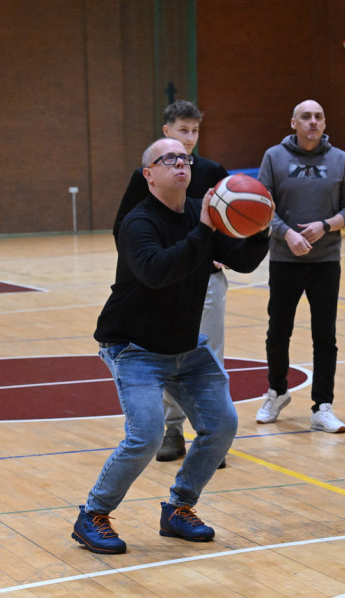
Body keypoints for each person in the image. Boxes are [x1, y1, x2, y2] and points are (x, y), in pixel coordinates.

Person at [72, 137, 270, 554]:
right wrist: (205, 229)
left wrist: (259, 226)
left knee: (222, 425)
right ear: (149, 174)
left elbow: (245, 260)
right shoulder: (138, 222)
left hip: (186, 348)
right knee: (145, 436)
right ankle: (92, 514)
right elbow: (158, 271)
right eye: (169, 159)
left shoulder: (204, 214)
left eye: (186, 157)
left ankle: (179, 509)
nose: (181, 163)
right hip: (135, 348)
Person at [113, 101, 230, 466]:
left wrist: (224, 247)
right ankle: (173, 429)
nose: (189, 139)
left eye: (194, 131)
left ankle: (209, 434)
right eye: (183, 130)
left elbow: (228, 224)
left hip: (205, 278)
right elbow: (125, 227)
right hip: (163, 278)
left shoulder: (211, 171)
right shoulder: (145, 176)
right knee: (166, 353)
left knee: (209, 354)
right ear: (167, 131)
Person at [255, 99, 345, 433]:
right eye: (306, 117)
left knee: (324, 335)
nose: (313, 121)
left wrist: (325, 226)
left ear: (324, 123)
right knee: (278, 332)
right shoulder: (274, 157)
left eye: (318, 117)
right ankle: (276, 392)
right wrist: (287, 234)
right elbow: (260, 207)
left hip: (326, 260)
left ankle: (323, 407)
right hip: (285, 259)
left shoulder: (340, 159)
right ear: (293, 123)